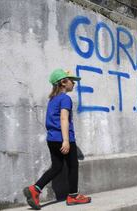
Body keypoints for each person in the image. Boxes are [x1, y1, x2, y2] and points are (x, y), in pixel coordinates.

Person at [23, 69, 91, 210]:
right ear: (63, 82)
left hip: (52, 139)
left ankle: (35, 189)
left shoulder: (53, 99)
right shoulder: (65, 98)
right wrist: (66, 140)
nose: (74, 83)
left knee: (57, 167)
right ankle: (73, 196)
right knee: (73, 166)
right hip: (63, 138)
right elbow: (63, 118)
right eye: (71, 80)